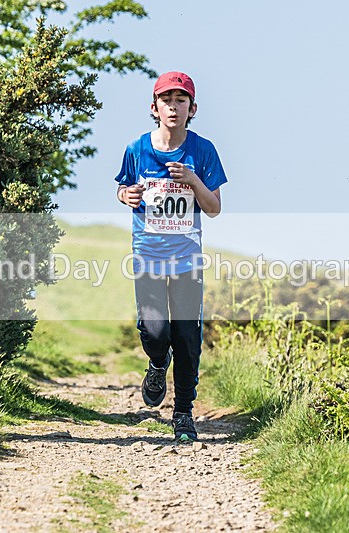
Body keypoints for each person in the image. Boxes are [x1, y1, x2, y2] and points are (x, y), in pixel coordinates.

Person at [114, 71, 228, 441]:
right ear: (155, 108)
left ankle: (183, 414)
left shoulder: (202, 150)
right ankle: (157, 362)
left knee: (187, 337)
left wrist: (193, 180)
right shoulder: (137, 149)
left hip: (187, 258)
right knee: (154, 330)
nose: (174, 106)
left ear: (192, 108)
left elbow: (213, 209)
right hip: (147, 253)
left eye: (181, 100)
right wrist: (126, 197)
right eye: (167, 100)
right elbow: (123, 188)